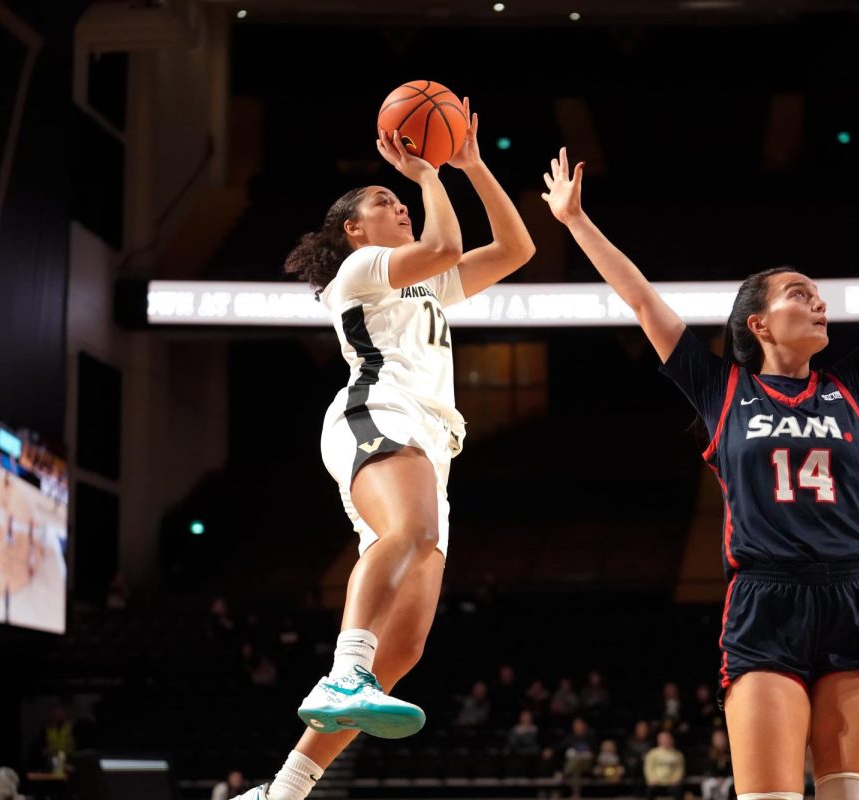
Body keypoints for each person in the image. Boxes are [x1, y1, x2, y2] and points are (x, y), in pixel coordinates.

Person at [542, 129, 859, 800]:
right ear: (759, 324)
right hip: (765, 600)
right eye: (800, 294)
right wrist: (575, 221)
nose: (819, 302)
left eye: (818, 294)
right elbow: (639, 299)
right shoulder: (720, 391)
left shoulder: (852, 386)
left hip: (858, 594)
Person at [234, 99, 533, 800]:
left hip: (431, 439)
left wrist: (471, 164)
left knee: (401, 652)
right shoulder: (361, 269)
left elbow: (517, 250)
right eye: (385, 200)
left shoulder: (422, 283)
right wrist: (429, 175)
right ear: (353, 228)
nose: (399, 206)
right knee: (412, 534)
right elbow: (444, 247)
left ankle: (284, 790)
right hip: (377, 412)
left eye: (401, 199)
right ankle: (343, 670)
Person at [643, 731, 685, 800]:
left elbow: (679, 769)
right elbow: (648, 768)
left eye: (667, 738)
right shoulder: (652, 753)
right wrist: (651, 779)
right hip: (656, 782)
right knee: (649, 790)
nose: (665, 740)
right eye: (663, 739)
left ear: (671, 740)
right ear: (658, 740)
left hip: (671, 782)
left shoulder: (678, 754)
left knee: (678, 790)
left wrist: (676, 779)